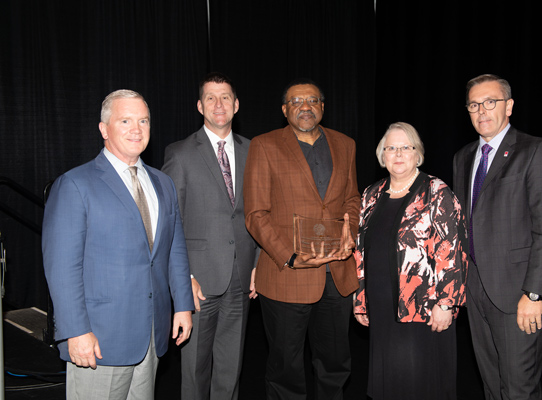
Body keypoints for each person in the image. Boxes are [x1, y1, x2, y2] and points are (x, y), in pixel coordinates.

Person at [42, 89, 194, 399]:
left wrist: (183, 306)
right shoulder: (74, 184)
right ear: (104, 129)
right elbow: (62, 267)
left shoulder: (162, 183)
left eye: (143, 121)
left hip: (151, 333)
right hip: (99, 339)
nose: (136, 129)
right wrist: (75, 331)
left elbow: (173, 249)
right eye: (125, 120)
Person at [453, 74, 542, 400]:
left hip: (520, 293)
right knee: (491, 385)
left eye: (491, 102)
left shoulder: (536, 151)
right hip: (476, 290)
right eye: (474, 104)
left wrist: (534, 295)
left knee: (518, 389)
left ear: (510, 106)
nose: (482, 111)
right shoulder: (463, 157)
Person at [243, 78, 360, 400]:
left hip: (336, 275)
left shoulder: (345, 144)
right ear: (284, 110)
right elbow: (255, 213)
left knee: (335, 364)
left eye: (312, 100)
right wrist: (291, 256)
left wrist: (350, 229)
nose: (305, 107)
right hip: (286, 275)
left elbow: (352, 198)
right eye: (296, 102)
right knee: (285, 369)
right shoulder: (264, 145)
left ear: (322, 106)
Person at [353, 122, 468, 400]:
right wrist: (360, 299)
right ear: (382, 155)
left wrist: (446, 302)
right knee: (390, 379)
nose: (399, 153)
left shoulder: (436, 191)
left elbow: (452, 249)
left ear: (418, 154)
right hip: (381, 306)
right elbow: (359, 251)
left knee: (420, 380)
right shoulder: (371, 194)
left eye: (406, 147)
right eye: (391, 147)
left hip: (423, 307)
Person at [162, 72, 259, 400]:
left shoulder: (253, 151)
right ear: (200, 106)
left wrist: (258, 264)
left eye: (226, 98)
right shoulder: (180, 153)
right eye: (212, 98)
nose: (220, 104)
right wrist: (183, 276)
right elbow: (168, 221)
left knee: (231, 370)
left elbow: (261, 213)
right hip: (198, 282)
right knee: (195, 370)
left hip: (241, 277)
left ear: (236, 105)